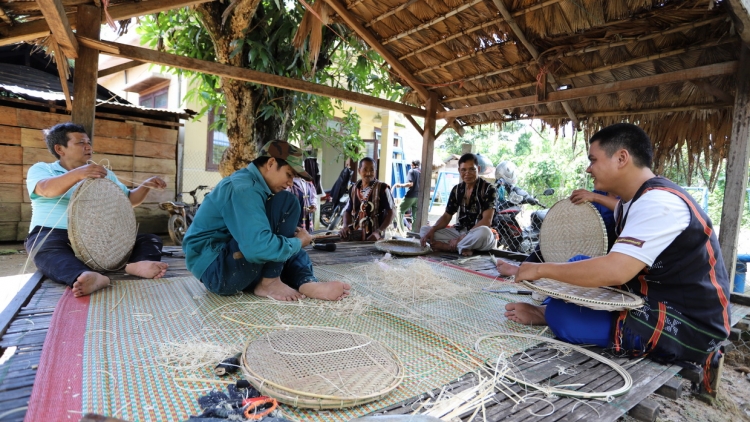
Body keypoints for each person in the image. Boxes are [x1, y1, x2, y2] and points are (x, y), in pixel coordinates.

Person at [504, 123, 730, 370]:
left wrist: (540, 270)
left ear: (622, 158)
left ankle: (546, 313)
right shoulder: (634, 199)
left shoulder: (659, 203)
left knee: (564, 317)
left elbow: (616, 271)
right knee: (576, 263)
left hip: (689, 322)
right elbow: (620, 213)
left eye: (593, 160)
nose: (589, 169)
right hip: (650, 293)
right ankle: (550, 308)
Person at [182, 140, 350, 301]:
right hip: (217, 270)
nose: (291, 183)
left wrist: (292, 241)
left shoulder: (254, 185)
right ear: (270, 164)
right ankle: (270, 281)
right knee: (287, 203)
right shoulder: (244, 188)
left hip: (229, 262)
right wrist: (298, 243)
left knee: (285, 245)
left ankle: (306, 282)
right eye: (289, 174)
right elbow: (257, 249)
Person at [25, 123, 169, 297]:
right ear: (59, 149)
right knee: (43, 250)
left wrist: (146, 185)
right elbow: (46, 189)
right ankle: (84, 276)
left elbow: (129, 200)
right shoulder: (43, 169)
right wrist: (79, 173)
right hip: (55, 234)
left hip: (100, 237)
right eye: (80, 143)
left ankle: (136, 265)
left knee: (149, 239)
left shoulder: (102, 173)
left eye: (88, 142)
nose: (88, 147)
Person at [497, 189, 618, 276]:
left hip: (603, 257)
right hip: (582, 244)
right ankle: (524, 268)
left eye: (594, 161)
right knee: (550, 239)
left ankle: (533, 271)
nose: (589, 169)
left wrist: (595, 197)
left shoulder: (628, 197)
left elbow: (626, 208)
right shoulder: (597, 192)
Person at [420, 153, 498, 256]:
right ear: (459, 171)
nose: (467, 173)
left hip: (479, 235)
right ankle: (465, 247)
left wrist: (463, 237)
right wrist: (433, 229)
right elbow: (447, 216)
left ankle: (448, 247)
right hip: (460, 232)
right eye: (463, 170)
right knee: (424, 230)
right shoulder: (457, 190)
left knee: (484, 232)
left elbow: (487, 221)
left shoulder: (489, 189)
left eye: (471, 169)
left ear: (478, 169)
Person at [339, 157, 395, 241]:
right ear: (359, 171)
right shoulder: (354, 189)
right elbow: (347, 210)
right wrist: (345, 226)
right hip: (356, 235)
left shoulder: (383, 188)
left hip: (375, 238)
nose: (368, 173)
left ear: (375, 171)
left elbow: (392, 212)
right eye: (365, 169)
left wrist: (378, 231)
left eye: (372, 170)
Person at [393, 160, 420, 234]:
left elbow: (410, 184)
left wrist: (400, 185)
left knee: (399, 210)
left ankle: (401, 231)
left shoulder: (411, 171)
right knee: (415, 216)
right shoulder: (421, 172)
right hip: (418, 196)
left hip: (411, 195)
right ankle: (414, 232)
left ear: (412, 164)